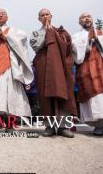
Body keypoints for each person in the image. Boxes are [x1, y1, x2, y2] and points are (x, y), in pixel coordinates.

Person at [30, 9, 76, 138]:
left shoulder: (60, 32)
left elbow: (68, 46)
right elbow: (36, 46)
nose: (45, 16)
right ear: (39, 18)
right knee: (45, 95)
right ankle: (49, 126)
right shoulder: (35, 33)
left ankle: (63, 127)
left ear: (51, 16)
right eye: (42, 15)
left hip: (60, 66)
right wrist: (47, 32)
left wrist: (53, 32)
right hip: (44, 66)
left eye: (47, 14)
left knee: (63, 93)